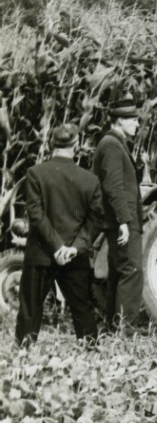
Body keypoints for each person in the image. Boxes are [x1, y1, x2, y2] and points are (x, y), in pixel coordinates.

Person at [16, 124, 102, 346]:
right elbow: (96, 220)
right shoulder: (90, 180)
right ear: (76, 145)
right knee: (83, 308)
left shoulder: (36, 173)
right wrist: (73, 248)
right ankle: (90, 352)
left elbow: (35, 216)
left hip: (42, 254)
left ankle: (24, 354)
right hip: (75, 255)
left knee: (30, 308)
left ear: (51, 144)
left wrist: (56, 247)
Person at [93, 95, 145, 333]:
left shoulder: (114, 143)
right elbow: (113, 186)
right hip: (122, 219)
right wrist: (124, 220)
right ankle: (125, 329)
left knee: (119, 270)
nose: (137, 124)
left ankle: (115, 327)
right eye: (133, 120)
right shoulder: (112, 145)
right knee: (131, 269)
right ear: (119, 121)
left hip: (121, 218)